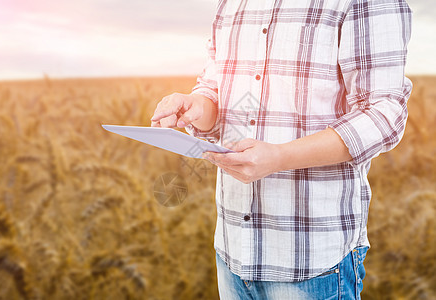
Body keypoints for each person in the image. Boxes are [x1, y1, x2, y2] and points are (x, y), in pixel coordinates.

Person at [151, 0, 412, 298]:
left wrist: (279, 157)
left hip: (311, 263)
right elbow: (215, 88)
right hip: (232, 251)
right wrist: (197, 106)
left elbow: (382, 115)